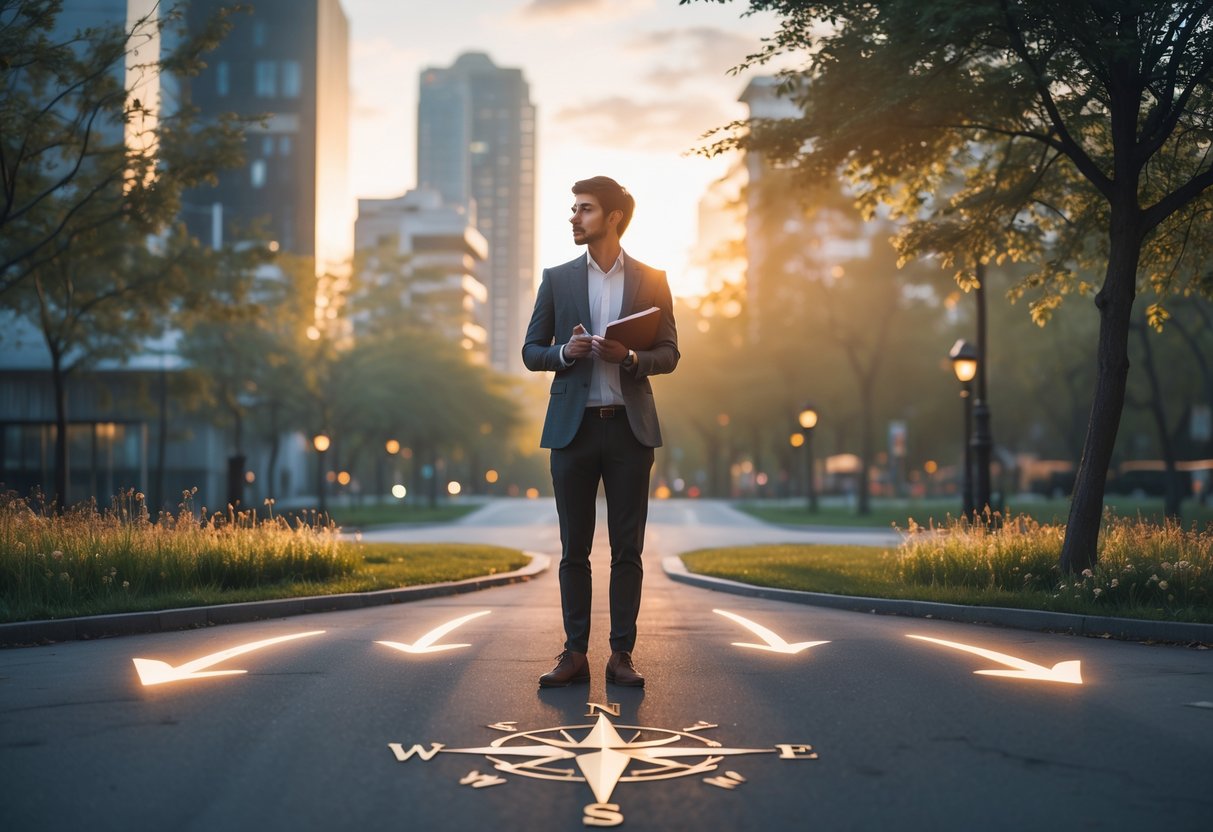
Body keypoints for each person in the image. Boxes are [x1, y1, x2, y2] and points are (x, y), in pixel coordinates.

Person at [522, 175, 680, 688]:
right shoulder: (558, 278)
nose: (574, 217)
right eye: (573, 209)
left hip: (630, 433)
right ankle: (573, 653)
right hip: (573, 431)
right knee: (574, 549)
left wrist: (630, 355)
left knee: (627, 550)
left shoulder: (653, 279)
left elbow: (670, 353)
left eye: (584, 209)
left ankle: (621, 656)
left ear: (612, 217)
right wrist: (565, 353)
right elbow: (531, 350)